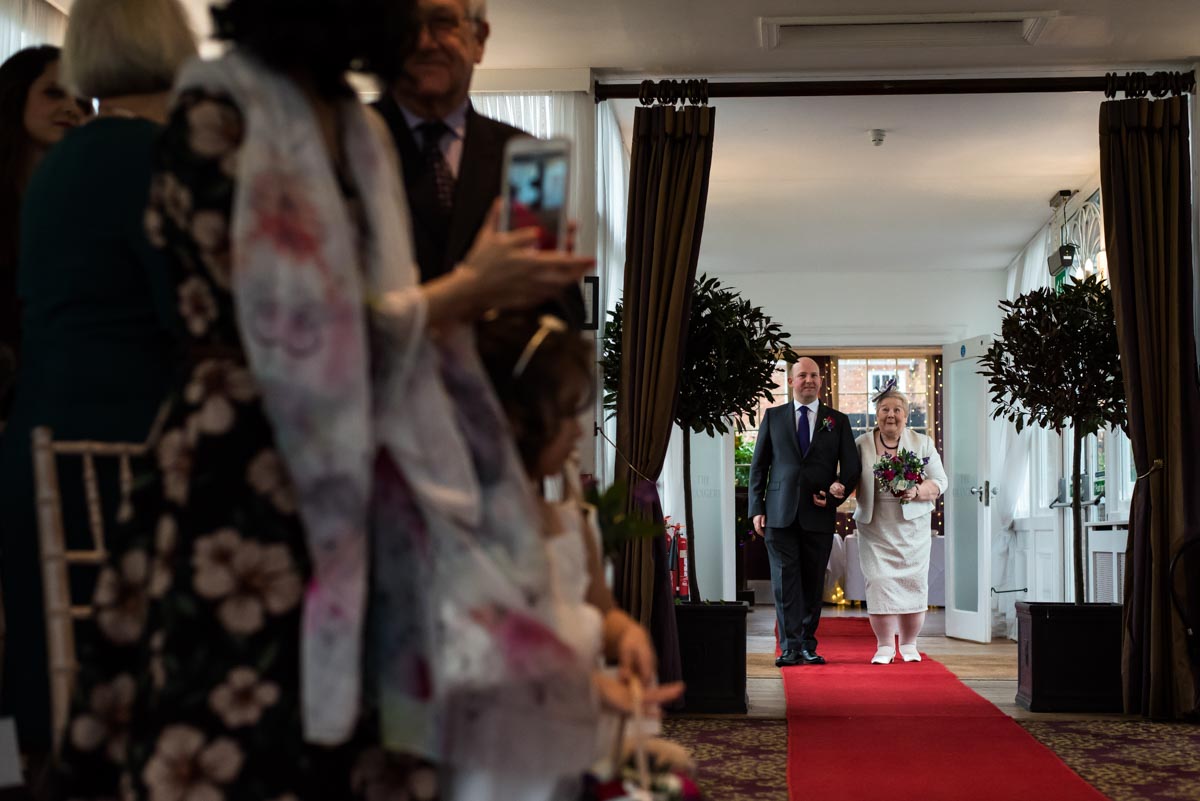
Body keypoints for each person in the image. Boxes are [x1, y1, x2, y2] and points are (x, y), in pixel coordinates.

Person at [56, 0, 595, 797]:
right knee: (235, 722)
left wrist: (488, 297)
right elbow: (284, 332)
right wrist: (471, 288)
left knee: (364, 740)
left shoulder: (356, 128)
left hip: (364, 456)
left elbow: (379, 307)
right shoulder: (218, 111)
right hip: (243, 466)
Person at [0, 0, 192, 760]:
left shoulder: (59, 166)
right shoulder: (158, 159)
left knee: (65, 689)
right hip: (122, 460)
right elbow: (197, 319)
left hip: (40, 448)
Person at [474, 310, 685, 800]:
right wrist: (587, 688)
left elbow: (600, 610)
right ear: (522, 418)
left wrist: (626, 633)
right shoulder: (470, 528)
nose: (577, 429)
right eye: (567, 413)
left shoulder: (573, 521)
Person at [374, 0, 584, 324]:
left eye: (443, 22)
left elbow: (560, 309)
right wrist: (476, 286)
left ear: (479, 40)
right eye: (406, 25)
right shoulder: (340, 141)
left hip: (494, 372)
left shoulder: (523, 155)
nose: (424, 42)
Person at [749, 357, 860, 667]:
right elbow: (759, 468)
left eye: (814, 375)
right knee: (784, 584)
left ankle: (808, 645)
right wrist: (756, 508)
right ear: (791, 381)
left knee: (812, 584)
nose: (808, 380)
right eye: (802, 375)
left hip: (818, 513)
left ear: (820, 382)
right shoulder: (772, 417)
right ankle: (789, 647)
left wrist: (837, 495)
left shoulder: (837, 420)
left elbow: (852, 468)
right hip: (778, 514)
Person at [0, 45, 89, 417]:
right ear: (15, 95)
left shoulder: (87, 204)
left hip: (61, 399)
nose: (72, 107)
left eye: (83, 100)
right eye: (54, 92)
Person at [851, 386, 948, 664]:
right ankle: (883, 646)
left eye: (896, 410)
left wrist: (917, 490)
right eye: (884, 410)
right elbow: (847, 477)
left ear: (905, 415)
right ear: (876, 414)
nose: (890, 415)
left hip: (912, 529)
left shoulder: (922, 443)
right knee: (879, 583)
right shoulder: (861, 444)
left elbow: (941, 482)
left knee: (913, 584)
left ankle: (908, 644)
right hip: (875, 526)